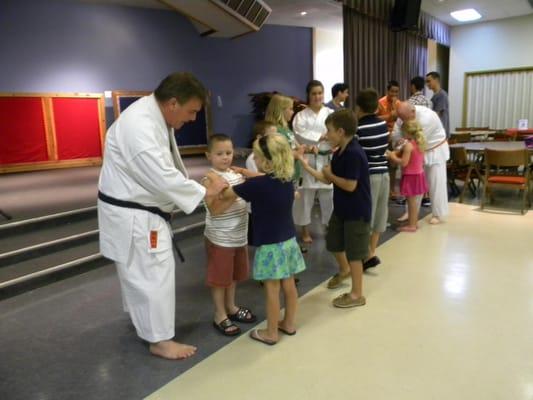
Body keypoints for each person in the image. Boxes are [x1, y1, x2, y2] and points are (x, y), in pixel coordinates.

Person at [97, 72, 228, 360]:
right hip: (136, 215)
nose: (193, 118)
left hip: (135, 209)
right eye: (191, 111)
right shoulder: (140, 126)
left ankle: (143, 323)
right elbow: (161, 175)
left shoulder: (150, 114)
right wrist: (204, 191)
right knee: (154, 274)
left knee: (139, 273)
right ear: (172, 103)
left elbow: (162, 172)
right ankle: (159, 340)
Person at [208, 134, 306, 345]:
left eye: (258, 158)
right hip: (288, 242)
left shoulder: (256, 186)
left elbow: (226, 194)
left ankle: (271, 333)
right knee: (289, 285)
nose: (256, 161)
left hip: (271, 247)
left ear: (268, 162)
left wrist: (215, 180)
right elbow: (263, 178)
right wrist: (246, 172)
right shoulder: (286, 180)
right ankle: (288, 323)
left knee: (272, 289)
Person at [297, 109, 371, 306]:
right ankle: (344, 270)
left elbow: (349, 185)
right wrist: (305, 166)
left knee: (355, 253)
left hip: (356, 211)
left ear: (340, 131)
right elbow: (327, 179)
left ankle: (357, 294)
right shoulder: (340, 152)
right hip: (342, 209)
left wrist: (330, 175)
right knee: (334, 242)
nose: (326, 134)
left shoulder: (354, 153)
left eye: (328, 130)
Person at [202, 134, 256, 337]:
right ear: (209, 156)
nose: (225, 157)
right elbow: (214, 209)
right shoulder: (211, 178)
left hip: (238, 235)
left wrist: (243, 177)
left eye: (229, 153)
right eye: (219, 154)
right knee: (219, 279)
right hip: (220, 238)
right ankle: (219, 313)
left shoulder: (236, 173)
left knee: (233, 276)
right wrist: (238, 193)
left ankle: (231, 307)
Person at [393, 102, 449, 225]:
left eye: (405, 118)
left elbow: (418, 138)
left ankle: (438, 214)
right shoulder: (402, 115)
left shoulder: (427, 117)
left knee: (436, 182)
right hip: (414, 151)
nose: (403, 121)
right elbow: (396, 134)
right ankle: (411, 212)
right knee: (414, 184)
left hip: (434, 148)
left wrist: (401, 146)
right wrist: (398, 143)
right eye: (401, 118)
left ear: (412, 112)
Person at [292, 80, 334, 244]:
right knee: (305, 198)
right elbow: (299, 134)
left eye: (320, 93)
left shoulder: (330, 113)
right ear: (308, 96)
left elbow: (335, 133)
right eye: (314, 93)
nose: (317, 96)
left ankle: (330, 226)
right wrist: (320, 137)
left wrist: (325, 139)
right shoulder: (301, 116)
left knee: (329, 196)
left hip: (326, 159)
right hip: (307, 160)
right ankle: (305, 230)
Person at [355, 89, 389, 271]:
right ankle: (371, 252)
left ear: (358, 107)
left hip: (369, 176)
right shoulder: (383, 125)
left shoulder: (358, 128)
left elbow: (356, 154)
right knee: (379, 215)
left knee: (366, 215)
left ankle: (364, 255)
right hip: (384, 172)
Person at [386, 120, 428, 232]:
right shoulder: (419, 142)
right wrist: (399, 148)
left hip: (411, 176)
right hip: (418, 174)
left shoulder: (409, 145)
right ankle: (413, 223)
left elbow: (404, 162)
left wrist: (391, 156)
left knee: (411, 202)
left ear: (407, 132)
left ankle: (412, 225)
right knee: (413, 202)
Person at [377, 80, 401, 199]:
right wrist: (390, 116)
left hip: (395, 136)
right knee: (383, 164)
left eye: (396, 92)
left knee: (393, 165)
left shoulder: (399, 103)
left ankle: (392, 190)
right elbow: (376, 118)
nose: (394, 94)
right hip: (382, 136)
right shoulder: (380, 102)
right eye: (392, 91)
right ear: (387, 91)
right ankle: (383, 191)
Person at [426, 71, 449, 138]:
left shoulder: (442, 95)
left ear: (436, 80)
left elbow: (437, 114)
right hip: (437, 130)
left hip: (441, 131)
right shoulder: (435, 95)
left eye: (429, 81)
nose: (427, 84)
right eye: (426, 82)